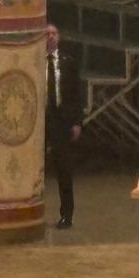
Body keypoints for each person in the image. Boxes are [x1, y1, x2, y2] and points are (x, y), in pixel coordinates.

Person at [44, 24, 83, 229]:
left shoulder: (68, 62)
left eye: (53, 33)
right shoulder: (33, 62)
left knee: (64, 168)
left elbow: (76, 94)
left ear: (58, 37)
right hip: (42, 119)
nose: (50, 37)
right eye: (47, 34)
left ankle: (67, 214)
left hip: (61, 119)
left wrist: (77, 122)